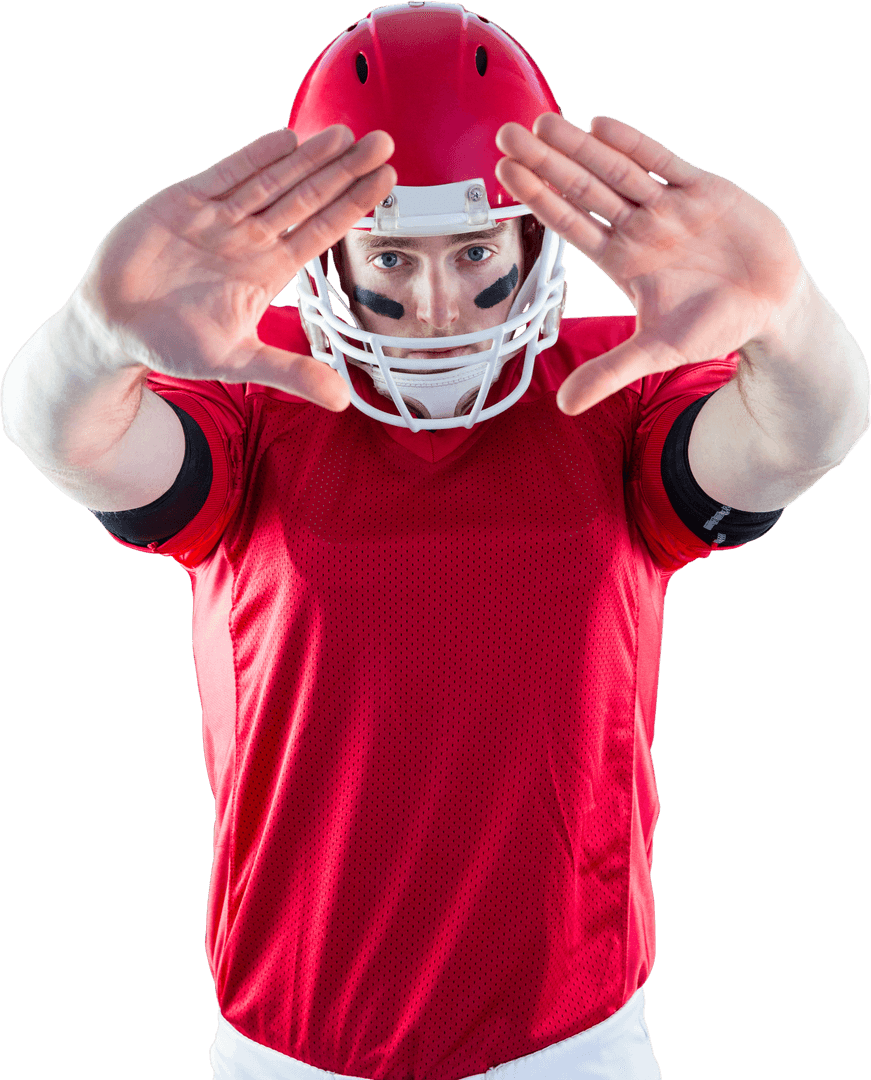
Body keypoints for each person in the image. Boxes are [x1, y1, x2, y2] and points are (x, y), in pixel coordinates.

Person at [1, 4, 868, 1080]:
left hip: (568, 1041)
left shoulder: (615, 387)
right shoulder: (257, 387)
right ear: (327, 254)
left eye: (473, 250)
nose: (438, 307)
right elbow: (72, 440)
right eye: (390, 260)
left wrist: (789, 315)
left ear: (532, 239)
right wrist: (94, 334)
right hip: (293, 1038)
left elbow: (802, 437)